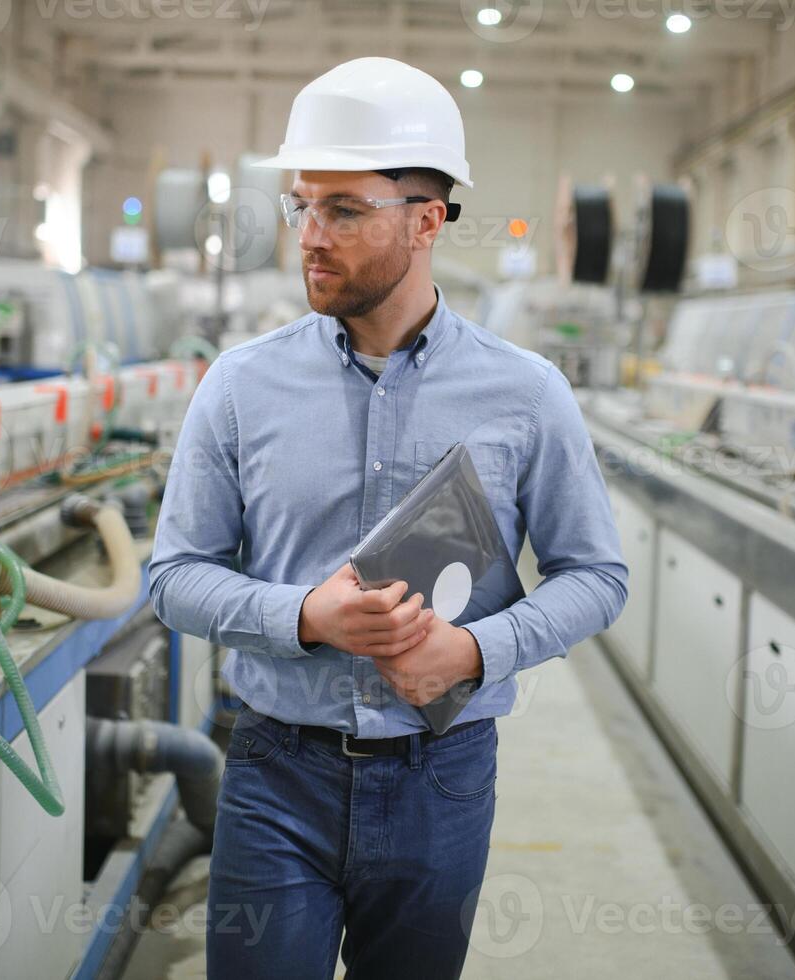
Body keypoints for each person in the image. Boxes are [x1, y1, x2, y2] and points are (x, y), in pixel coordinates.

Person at [148, 56, 628, 980]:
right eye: (301, 206)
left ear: (427, 220)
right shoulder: (241, 385)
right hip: (273, 771)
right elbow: (173, 575)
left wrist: (477, 651)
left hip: (438, 778)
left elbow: (596, 577)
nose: (310, 237)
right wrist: (301, 617)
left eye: (345, 210)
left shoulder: (526, 394)